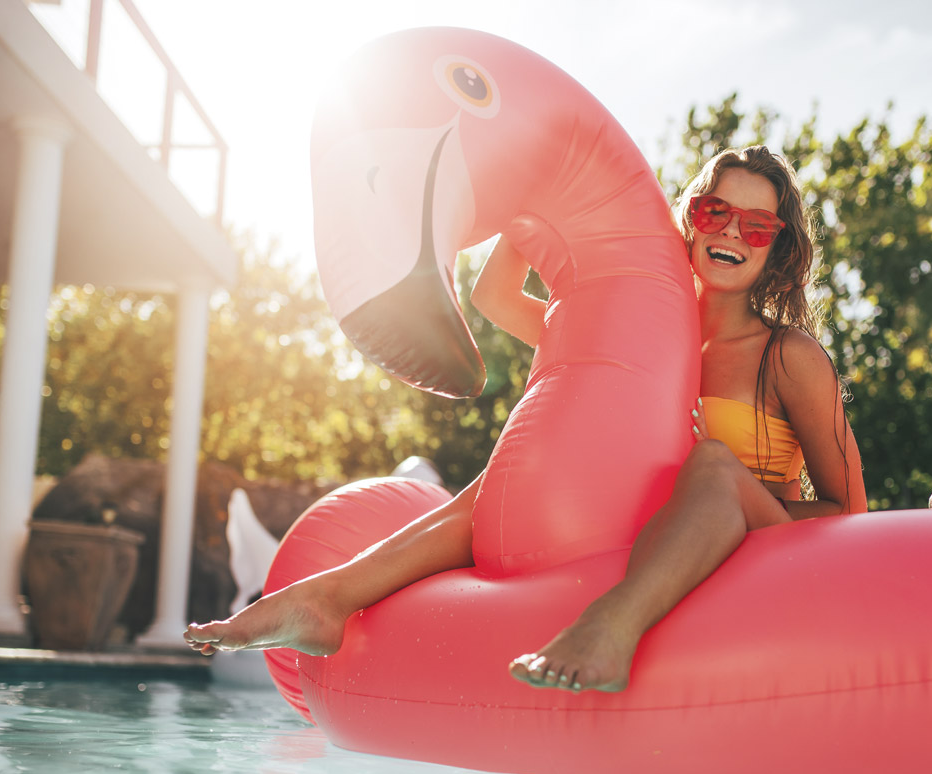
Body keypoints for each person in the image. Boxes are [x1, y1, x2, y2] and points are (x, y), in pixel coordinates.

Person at [184, 146, 865, 693]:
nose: (732, 235)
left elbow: (847, 508)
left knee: (712, 467)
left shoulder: (788, 356)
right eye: (716, 212)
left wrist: (738, 491)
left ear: (776, 248)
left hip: (754, 539)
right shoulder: (641, 345)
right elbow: (496, 296)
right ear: (689, 214)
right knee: (512, 470)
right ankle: (328, 597)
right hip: (647, 533)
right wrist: (534, 193)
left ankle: (611, 628)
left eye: (757, 227)